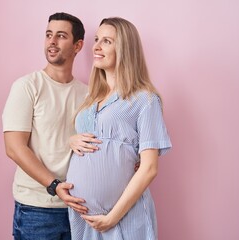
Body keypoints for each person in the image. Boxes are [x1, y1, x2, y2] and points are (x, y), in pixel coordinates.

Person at [66, 17, 172, 240]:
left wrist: (113, 217)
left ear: (125, 48)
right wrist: (71, 140)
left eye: (106, 41)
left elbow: (149, 168)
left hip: (124, 218)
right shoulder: (90, 99)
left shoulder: (145, 100)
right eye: (96, 39)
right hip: (84, 219)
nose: (96, 46)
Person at [2, 12, 94, 240]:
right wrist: (54, 185)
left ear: (78, 45)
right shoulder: (27, 86)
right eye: (48, 35)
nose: (51, 42)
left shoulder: (88, 94)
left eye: (61, 36)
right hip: (37, 209)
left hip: (79, 208)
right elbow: (14, 148)